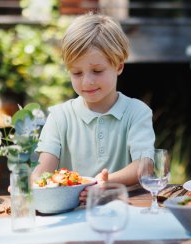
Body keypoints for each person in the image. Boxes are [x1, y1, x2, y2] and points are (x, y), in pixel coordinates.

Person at [33, 13, 155, 203]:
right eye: (77, 73)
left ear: (119, 66)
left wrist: (105, 183)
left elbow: (145, 165)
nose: (87, 81)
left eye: (97, 71)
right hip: (71, 213)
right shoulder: (59, 116)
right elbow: (43, 171)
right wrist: (26, 185)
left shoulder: (137, 113)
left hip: (124, 210)